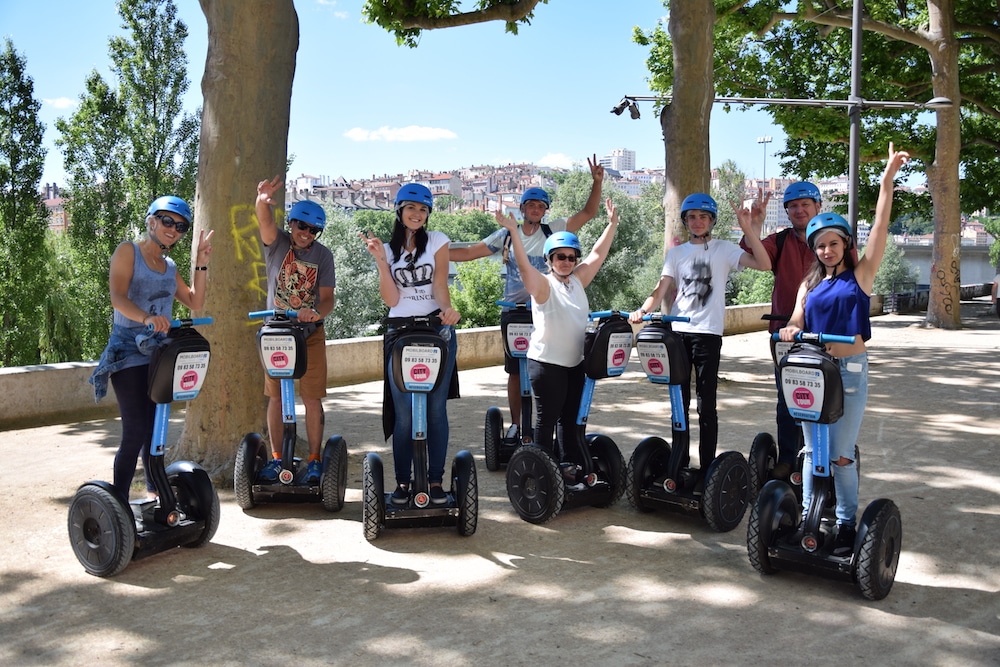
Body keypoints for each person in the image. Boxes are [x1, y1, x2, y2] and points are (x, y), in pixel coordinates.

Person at [779, 143, 910, 555]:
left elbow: (880, 228)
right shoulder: (809, 284)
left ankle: (846, 523)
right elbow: (797, 318)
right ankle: (809, 517)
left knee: (839, 454)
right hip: (813, 370)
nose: (827, 250)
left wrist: (886, 182)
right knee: (810, 450)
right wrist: (790, 329)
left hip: (850, 371)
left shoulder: (860, 276)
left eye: (834, 243)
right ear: (814, 248)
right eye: (821, 245)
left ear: (845, 245)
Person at [450, 157, 605, 441]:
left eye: (540, 206)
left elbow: (588, 212)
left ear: (545, 210)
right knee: (515, 370)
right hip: (515, 311)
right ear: (522, 209)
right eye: (531, 205)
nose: (535, 209)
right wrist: (434, 254)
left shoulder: (554, 230)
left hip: (546, 309)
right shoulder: (508, 234)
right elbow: (470, 252)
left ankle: (548, 429)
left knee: (545, 370)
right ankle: (517, 424)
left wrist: (597, 182)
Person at [630, 193, 771, 483]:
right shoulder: (676, 254)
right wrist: (643, 310)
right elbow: (660, 289)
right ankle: (679, 462)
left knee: (706, 405)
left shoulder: (724, 249)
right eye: (692, 217)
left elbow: (764, 264)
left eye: (703, 217)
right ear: (685, 221)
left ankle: (708, 469)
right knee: (678, 402)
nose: (697, 222)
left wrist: (749, 228)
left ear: (712, 221)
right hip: (678, 333)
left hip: (707, 334)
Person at [89, 195, 213, 501]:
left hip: (160, 353)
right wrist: (146, 318)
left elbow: (195, 301)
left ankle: (156, 493)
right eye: (167, 221)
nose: (173, 229)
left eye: (181, 226)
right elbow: (117, 297)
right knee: (135, 430)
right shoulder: (128, 251)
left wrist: (201, 263)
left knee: (156, 429)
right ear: (152, 221)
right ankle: (118, 504)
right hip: (128, 350)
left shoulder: (169, 266)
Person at [739, 182, 858, 479]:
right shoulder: (780, 240)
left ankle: (822, 456)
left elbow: (854, 283)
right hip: (786, 332)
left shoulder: (834, 242)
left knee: (827, 397)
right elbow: (752, 254)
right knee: (789, 397)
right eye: (793, 206)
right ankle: (788, 458)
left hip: (827, 333)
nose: (799, 210)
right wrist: (754, 225)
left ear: (818, 206)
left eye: (805, 204)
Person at [495, 198, 619, 468]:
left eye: (571, 257)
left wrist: (612, 225)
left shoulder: (577, 281)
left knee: (569, 419)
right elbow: (524, 267)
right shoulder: (543, 285)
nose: (566, 261)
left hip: (574, 364)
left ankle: (568, 468)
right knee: (547, 420)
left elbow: (598, 254)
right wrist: (514, 231)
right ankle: (542, 472)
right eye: (560, 257)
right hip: (546, 364)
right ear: (549, 259)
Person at [360, 183, 461, 506]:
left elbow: (440, 285)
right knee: (404, 414)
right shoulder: (387, 250)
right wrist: (381, 262)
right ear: (400, 211)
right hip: (400, 332)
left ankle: (435, 480)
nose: (417, 214)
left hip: (435, 330)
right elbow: (391, 299)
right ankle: (403, 482)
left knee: (435, 411)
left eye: (423, 210)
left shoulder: (438, 241)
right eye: (411, 208)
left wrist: (447, 311)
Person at [256, 176, 336, 485]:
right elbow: (264, 222)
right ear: (291, 224)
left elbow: (327, 298)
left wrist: (315, 313)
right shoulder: (277, 243)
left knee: (312, 398)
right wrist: (262, 201)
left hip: (309, 334)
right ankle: (277, 459)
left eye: (313, 230)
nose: (306, 234)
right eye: (302, 226)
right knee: (276, 397)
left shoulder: (323, 256)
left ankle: (314, 459)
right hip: (276, 332)